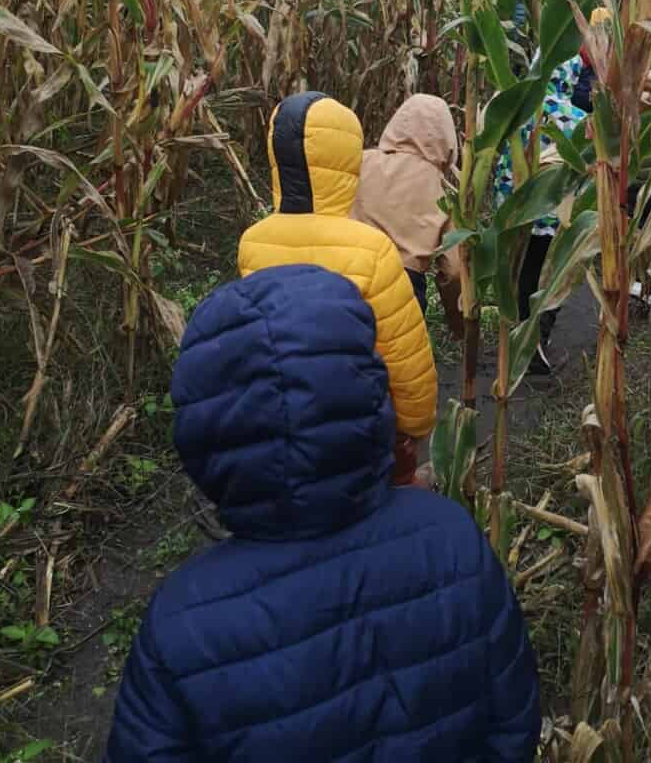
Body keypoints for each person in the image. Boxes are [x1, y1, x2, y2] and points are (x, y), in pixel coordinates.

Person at [104, 265, 542, 762]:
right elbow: (514, 721)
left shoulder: (181, 626)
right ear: (370, 392)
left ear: (203, 431)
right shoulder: (452, 540)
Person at [238, 91, 437, 486]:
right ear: (347, 157)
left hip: (284, 419)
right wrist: (416, 424)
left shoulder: (253, 242)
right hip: (361, 422)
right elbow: (402, 352)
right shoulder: (371, 249)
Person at [493, 56, 587, 373]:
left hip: (515, 214)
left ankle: (513, 338)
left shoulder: (516, 112)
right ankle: (534, 348)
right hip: (551, 219)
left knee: (520, 277)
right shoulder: (576, 121)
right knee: (546, 283)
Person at [351, 94, 463, 335]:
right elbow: (454, 272)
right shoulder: (441, 192)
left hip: (346, 277)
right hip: (402, 290)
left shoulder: (358, 162)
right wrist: (458, 326)